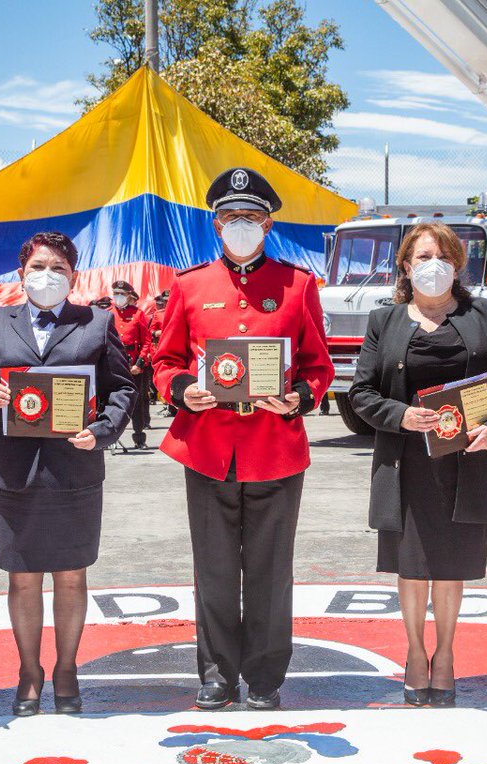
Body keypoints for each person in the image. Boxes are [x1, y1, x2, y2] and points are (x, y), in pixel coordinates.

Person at [152, 167, 334, 711]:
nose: (240, 225)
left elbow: (317, 366)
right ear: (215, 224)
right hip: (207, 449)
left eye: (250, 217)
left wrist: (299, 397)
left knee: (269, 571)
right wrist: (184, 390)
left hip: (274, 449)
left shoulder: (298, 286)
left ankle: (264, 676)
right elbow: (165, 361)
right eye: (230, 217)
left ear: (269, 223)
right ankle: (216, 674)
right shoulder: (188, 286)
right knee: (213, 570)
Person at [349, 221, 487, 707]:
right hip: (406, 463)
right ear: (406, 265)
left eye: (443, 257)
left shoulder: (482, 313)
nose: (433, 266)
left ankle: (445, 655)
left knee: (451, 567)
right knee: (412, 566)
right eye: (423, 257)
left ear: (458, 265)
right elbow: (362, 393)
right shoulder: (383, 321)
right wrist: (402, 415)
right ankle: (413, 652)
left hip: (467, 461)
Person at [0, 231, 136, 715]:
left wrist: (102, 431)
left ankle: (66, 668)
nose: (47, 275)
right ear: (21, 274)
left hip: (74, 468)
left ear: (73, 276)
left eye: (58, 267)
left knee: (72, 575)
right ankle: (29, 671)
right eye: (38, 266)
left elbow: (122, 388)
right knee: (22, 577)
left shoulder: (97, 323)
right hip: (14, 471)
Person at [109, 280, 153, 448]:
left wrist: (140, 364)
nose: (118, 297)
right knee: (112, 400)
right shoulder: (108, 314)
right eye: (116, 294)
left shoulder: (138, 314)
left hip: (133, 364)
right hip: (114, 363)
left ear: (129, 296)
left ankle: (139, 437)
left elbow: (147, 341)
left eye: (122, 294)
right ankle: (110, 436)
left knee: (137, 401)